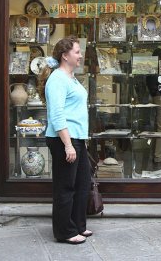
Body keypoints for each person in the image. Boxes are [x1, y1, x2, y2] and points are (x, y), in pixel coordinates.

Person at [37, 36, 92, 245]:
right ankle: (65, 231)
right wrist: (68, 144)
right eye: (77, 52)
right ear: (65, 55)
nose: (80, 55)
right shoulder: (58, 79)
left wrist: (79, 141)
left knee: (82, 183)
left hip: (76, 138)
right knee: (65, 186)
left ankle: (78, 225)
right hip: (63, 140)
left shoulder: (71, 77)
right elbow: (57, 115)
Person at [146, 48, 161, 170]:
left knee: (158, 125)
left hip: (155, 96)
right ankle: (159, 156)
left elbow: (149, 83)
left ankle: (155, 153)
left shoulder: (150, 68)